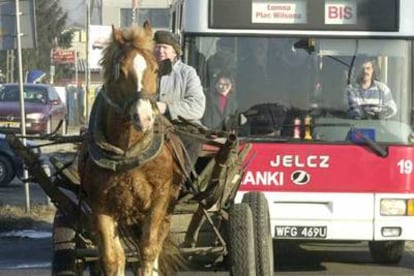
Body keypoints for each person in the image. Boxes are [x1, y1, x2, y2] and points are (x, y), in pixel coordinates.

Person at [153, 30, 206, 167]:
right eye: (157, 46)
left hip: (181, 127)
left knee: (194, 140)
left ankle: (181, 182)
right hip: (149, 125)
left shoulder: (188, 73)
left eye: (165, 47)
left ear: (175, 52)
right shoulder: (143, 70)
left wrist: (166, 108)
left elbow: (197, 106)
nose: (160, 51)